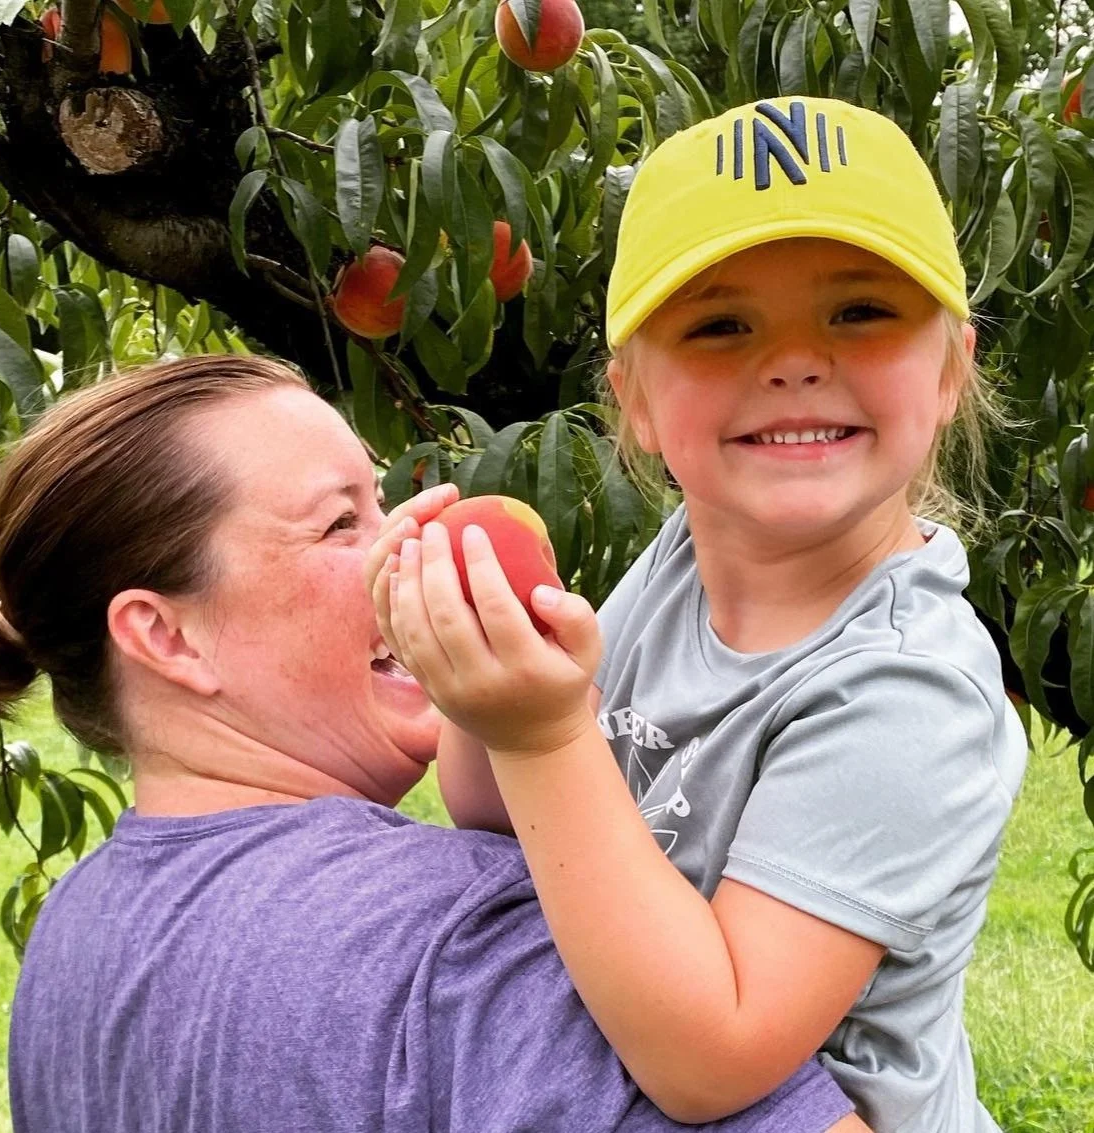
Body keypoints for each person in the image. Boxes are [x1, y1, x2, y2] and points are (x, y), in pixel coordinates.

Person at [0, 356, 866, 1133]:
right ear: (168, 638)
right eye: (340, 524)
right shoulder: (476, 943)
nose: (413, 545)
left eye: (385, 500)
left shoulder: (72, 938)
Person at [370, 97, 1029, 1132]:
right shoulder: (685, 553)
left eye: (858, 311)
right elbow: (498, 811)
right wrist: (482, 678)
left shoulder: (909, 688)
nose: (794, 361)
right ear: (631, 397)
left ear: (951, 368)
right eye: (720, 324)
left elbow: (712, 1056)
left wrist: (544, 732)